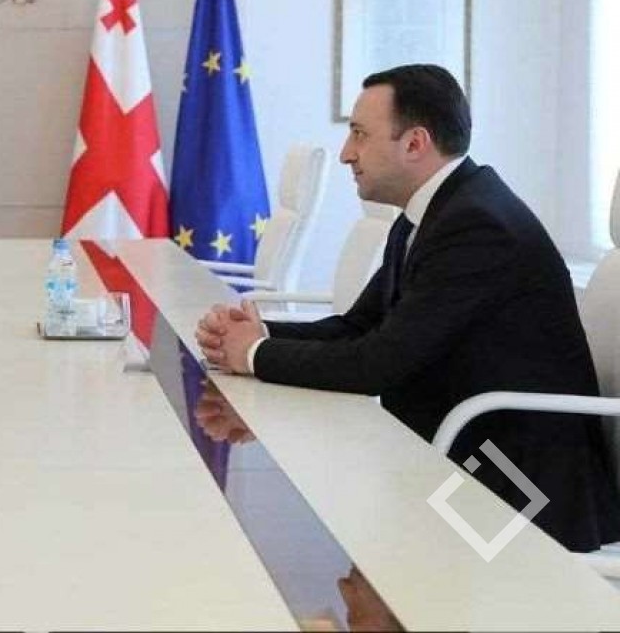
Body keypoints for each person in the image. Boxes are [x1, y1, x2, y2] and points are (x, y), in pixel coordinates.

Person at [196, 63, 620, 552]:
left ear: (415, 143)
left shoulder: (477, 225)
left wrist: (252, 355)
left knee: (309, 534)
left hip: (517, 489)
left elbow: (377, 365)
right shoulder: (434, 211)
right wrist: (259, 335)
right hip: (464, 448)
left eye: (359, 134)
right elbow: (361, 326)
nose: (346, 153)